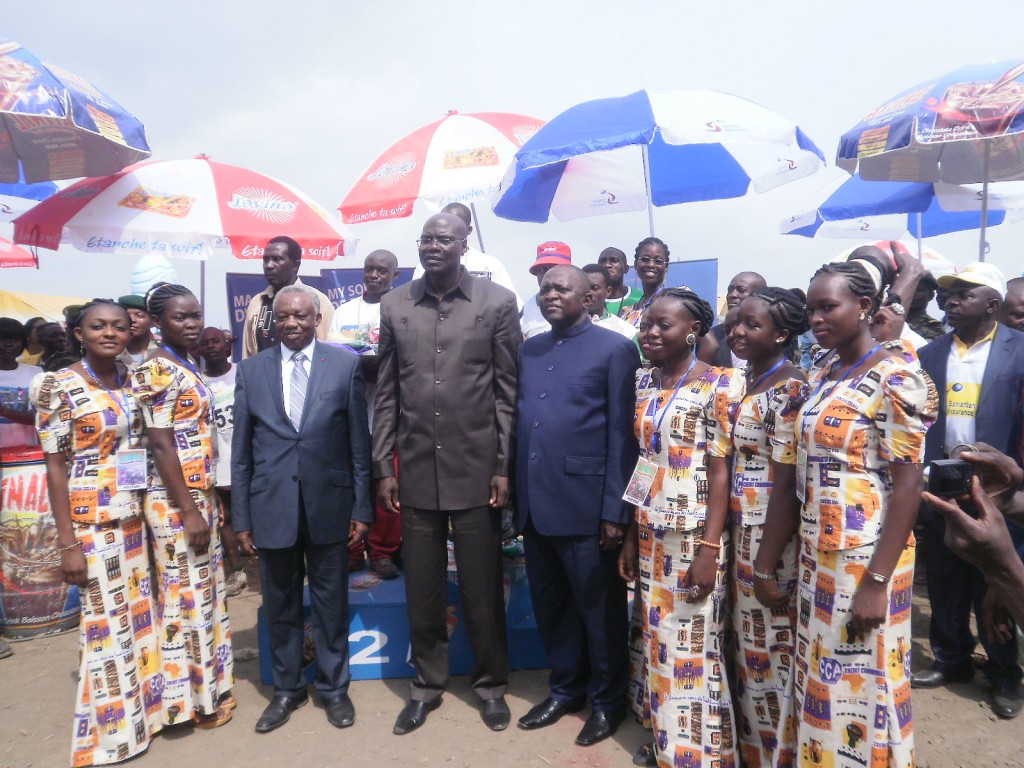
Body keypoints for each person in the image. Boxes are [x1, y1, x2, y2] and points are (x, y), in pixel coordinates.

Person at [757, 260, 937, 767]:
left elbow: (908, 486)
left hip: (868, 560)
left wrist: (877, 581)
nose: (816, 317)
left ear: (864, 307)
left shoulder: (896, 377)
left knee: (866, 683)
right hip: (819, 556)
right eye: (811, 308)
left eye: (828, 306)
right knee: (821, 677)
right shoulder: (821, 373)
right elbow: (792, 475)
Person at [374, 211, 520, 734]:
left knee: (482, 586)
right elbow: (386, 391)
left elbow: (508, 392)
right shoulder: (395, 304)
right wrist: (382, 465)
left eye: (445, 239)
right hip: (413, 469)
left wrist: (504, 465)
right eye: (427, 239)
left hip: (478, 470)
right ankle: (426, 686)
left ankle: (490, 685)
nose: (434, 246)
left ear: (464, 245)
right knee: (424, 587)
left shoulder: (497, 303)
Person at [232, 283, 372, 733]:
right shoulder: (251, 371)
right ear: (272, 321)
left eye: (301, 316)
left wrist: (362, 508)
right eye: (284, 316)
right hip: (271, 506)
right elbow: (241, 453)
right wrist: (242, 518)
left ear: (316, 320)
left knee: (331, 603)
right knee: (281, 604)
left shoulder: (345, 365)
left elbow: (358, 445)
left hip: (329, 505)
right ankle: (288, 690)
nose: (292, 323)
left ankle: (334, 690)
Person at [515, 265, 640, 746]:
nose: (549, 295)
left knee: (599, 610)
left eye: (560, 288)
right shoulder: (531, 348)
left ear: (588, 296)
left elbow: (619, 435)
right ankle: (565, 688)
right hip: (536, 502)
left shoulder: (614, 349)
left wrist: (615, 510)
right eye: (544, 288)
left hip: (587, 506)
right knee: (552, 607)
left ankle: (608, 702)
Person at [619, 288, 743, 768]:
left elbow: (720, 471)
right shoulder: (644, 381)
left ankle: (699, 754)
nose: (650, 332)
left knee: (691, 644)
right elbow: (645, 463)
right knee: (657, 641)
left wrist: (710, 548)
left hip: (693, 536)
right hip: (650, 531)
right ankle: (668, 739)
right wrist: (631, 532)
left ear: (693, 331)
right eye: (647, 323)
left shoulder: (721, 384)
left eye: (663, 325)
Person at [34, 299, 162, 765]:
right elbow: (54, 468)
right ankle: (110, 739)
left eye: (119, 326)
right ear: (78, 332)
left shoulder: (133, 381)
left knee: (136, 619)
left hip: (133, 518)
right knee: (105, 628)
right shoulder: (57, 386)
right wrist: (67, 543)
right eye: (98, 326)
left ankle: (143, 718)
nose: (110, 333)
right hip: (91, 525)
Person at [913, 261, 1024, 719]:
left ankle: (1004, 674)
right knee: (944, 579)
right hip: (941, 485)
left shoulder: (1020, 351)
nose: (949, 301)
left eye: (963, 294)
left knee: (995, 578)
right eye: (946, 294)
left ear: (992, 305)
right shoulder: (930, 355)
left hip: (1000, 490)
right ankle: (952, 659)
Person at [132, 283, 234, 729]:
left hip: (198, 495)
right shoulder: (155, 370)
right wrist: (190, 508)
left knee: (205, 593)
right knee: (184, 598)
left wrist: (207, 499)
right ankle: (190, 705)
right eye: (180, 318)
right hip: (175, 503)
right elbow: (158, 444)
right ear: (157, 322)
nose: (192, 324)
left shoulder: (183, 362)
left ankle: (209, 688)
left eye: (196, 315)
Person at [723, 288, 808, 768]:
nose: (738, 331)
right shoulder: (749, 380)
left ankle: (779, 755)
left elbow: (786, 484)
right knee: (748, 652)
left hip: (769, 539)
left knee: (770, 655)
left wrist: (766, 562)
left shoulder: (790, 388)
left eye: (752, 325)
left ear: (782, 334)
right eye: (736, 322)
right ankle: (752, 752)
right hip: (740, 530)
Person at [329, 249, 403, 579]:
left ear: (395, 275)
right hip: (351, 412)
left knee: (388, 482)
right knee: (352, 483)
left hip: (392, 413)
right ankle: (353, 549)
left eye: (382, 270)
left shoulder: (404, 309)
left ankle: (383, 551)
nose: (374, 275)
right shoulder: (345, 311)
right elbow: (333, 358)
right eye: (369, 269)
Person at [199, 327, 247, 597]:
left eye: (215, 341)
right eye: (204, 344)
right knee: (224, 516)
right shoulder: (197, 382)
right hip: (217, 459)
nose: (210, 347)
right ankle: (237, 570)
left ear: (227, 346)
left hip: (246, 455)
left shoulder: (243, 373)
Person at [412, 202, 523, 311]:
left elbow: (514, 306)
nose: (449, 227)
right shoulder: (424, 267)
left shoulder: (490, 264)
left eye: (457, 223)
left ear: (469, 230)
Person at [241, 236, 334, 359]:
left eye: (277, 259)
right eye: (266, 260)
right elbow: (248, 356)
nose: (269, 265)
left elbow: (330, 350)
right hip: (264, 377)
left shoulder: (317, 300)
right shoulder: (258, 302)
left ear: (296, 265)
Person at [702, 272, 767, 367]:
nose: (732, 295)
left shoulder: (771, 335)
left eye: (741, 290)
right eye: (730, 290)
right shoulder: (713, 336)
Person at [0, 317, 40, 448]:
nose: (8, 344)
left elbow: (42, 417)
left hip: (26, 456)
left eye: (15, 339)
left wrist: (5, 412)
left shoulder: (36, 373)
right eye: (2, 339)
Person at [521, 241, 572, 339]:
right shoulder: (525, 311)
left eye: (554, 267)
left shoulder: (582, 304)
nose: (547, 273)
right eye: (542, 269)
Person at [621, 237, 671, 328]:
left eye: (658, 261)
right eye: (645, 259)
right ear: (636, 264)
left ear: (666, 267)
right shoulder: (627, 313)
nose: (651, 265)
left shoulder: (675, 302)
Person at [581, 263, 639, 341]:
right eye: (584, 287)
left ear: (608, 291)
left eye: (594, 288)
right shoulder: (564, 325)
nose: (588, 293)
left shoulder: (626, 332)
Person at [598, 247, 643, 317]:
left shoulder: (640, 297)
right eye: (602, 261)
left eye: (614, 260)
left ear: (626, 268)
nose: (607, 265)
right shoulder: (590, 299)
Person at [116, 295, 159, 367]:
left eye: (140, 315)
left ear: (152, 321)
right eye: (127, 315)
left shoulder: (162, 351)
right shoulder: (112, 351)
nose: (132, 320)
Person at [906, 272, 946, 342]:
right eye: (909, 288)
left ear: (931, 296)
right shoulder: (888, 318)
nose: (912, 293)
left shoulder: (934, 327)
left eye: (919, 290)